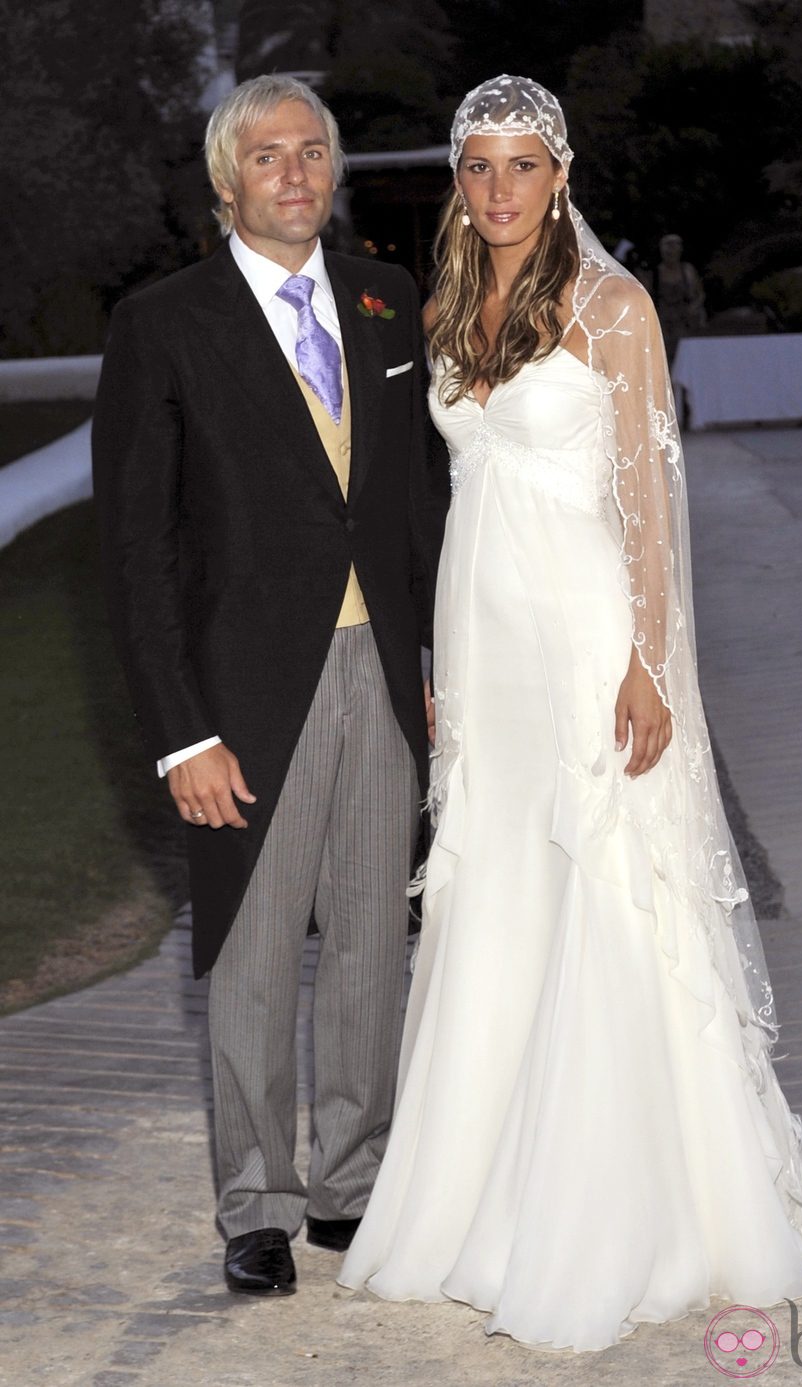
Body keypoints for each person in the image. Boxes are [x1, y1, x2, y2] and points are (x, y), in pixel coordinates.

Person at [338, 75, 802, 1352]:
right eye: (476, 168)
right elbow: (446, 498)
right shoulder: (442, 304)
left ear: (560, 175)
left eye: (520, 168)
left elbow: (649, 495)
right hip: (484, 645)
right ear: (458, 178)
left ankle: (629, 1205)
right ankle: (475, 1191)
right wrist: (432, 654)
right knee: (495, 882)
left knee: (606, 883)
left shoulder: (613, 305)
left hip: (589, 629)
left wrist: (649, 663)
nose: (497, 192)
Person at [92, 75, 447, 1297]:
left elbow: (416, 508)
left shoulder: (387, 299)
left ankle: (351, 1185)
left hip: (380, 675)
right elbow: (138, 550)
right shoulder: (164, 323)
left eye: (311, 152)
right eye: (266, 158)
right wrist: (180, 734)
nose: (293, 174)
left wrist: (437, 670)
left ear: (333, 169)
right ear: (225, 181)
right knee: (248, 949)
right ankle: (256, 1200)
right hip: (242, 694)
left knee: (368, 945)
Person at [656, 231, 706, 361]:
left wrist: (693, 308)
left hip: (684, 322)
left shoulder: (687, 270)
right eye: (668, 247)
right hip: (663, 322)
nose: (671, 251)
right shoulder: (656, 273)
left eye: (675, 247)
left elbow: (700, 295)